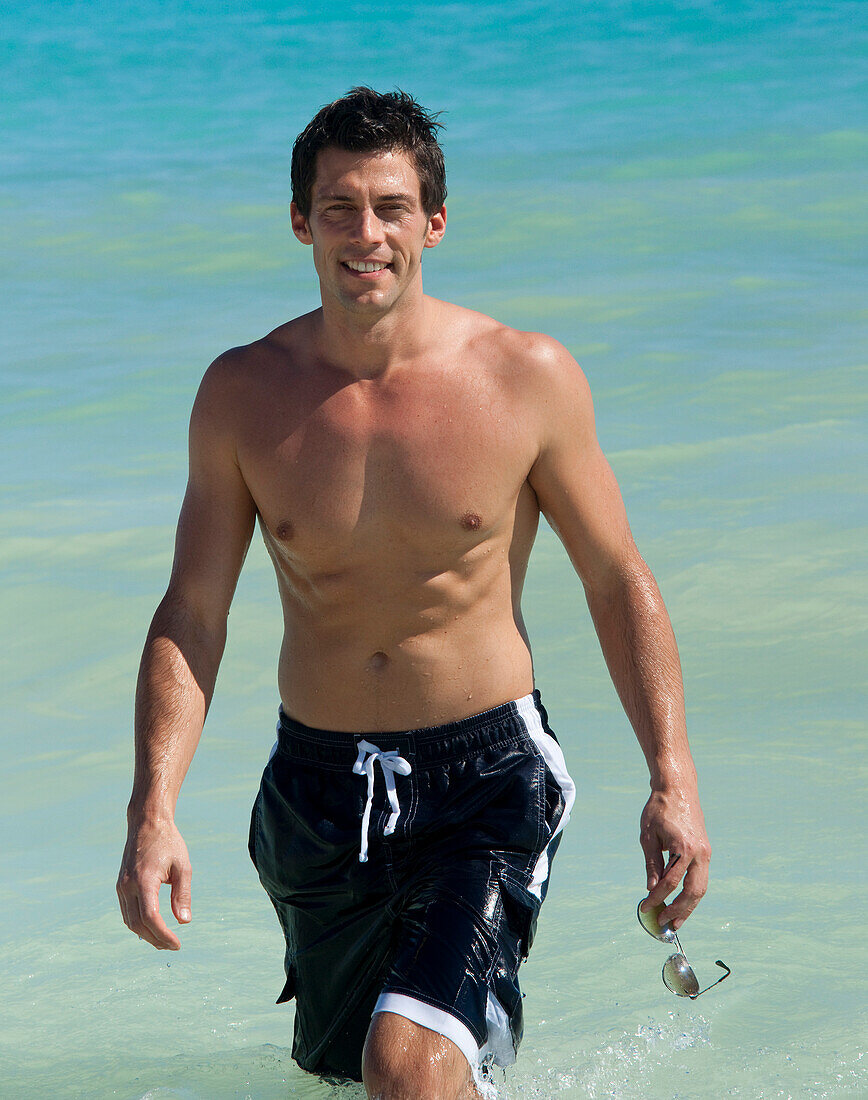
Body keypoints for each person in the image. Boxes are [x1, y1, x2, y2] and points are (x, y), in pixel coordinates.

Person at [117, 87, 711, 1099]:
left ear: (433, 221)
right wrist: (152, 806)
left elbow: (616, 576)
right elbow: (193, 612)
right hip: (315, 793)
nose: (366, 234)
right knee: (352, 1078)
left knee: (405, 1066)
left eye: (390, 206)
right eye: (339, 207)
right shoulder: (242, 393)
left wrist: (672, 770)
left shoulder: (525, 376)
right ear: (301, 220)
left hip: (486, 778)